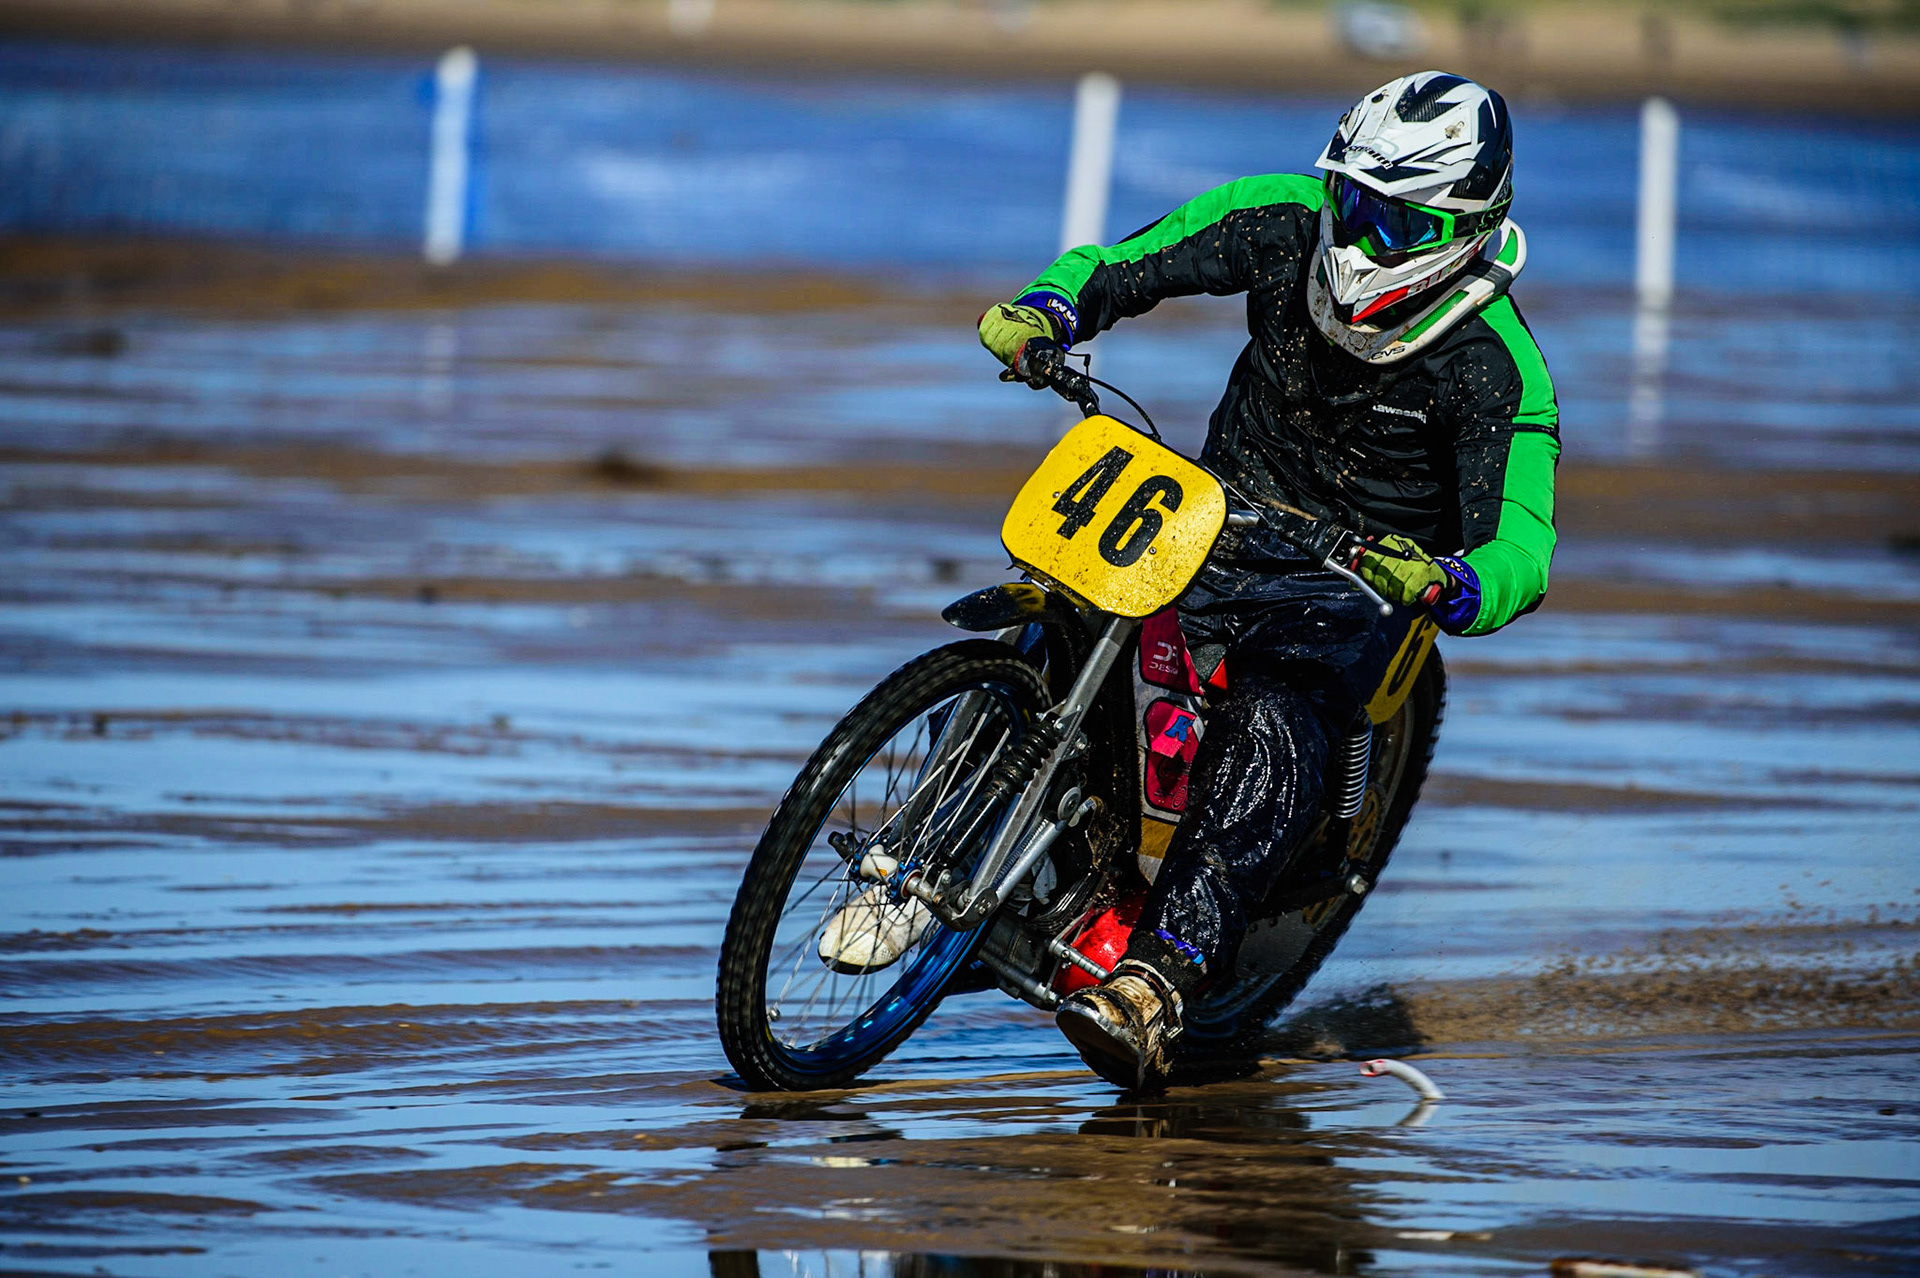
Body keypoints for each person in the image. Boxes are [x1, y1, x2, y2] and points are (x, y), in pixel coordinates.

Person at [977, 71, 1559, 1088]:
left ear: (1465, 231)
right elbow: (1128, 261)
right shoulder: (1280, 218)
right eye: (1353, 202)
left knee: (1272, 725)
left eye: (1395, 223)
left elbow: (1520, 546)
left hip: (1352, 590)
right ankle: (949, 848)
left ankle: (1157, 983)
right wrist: (1052, 307)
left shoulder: (1498, 370)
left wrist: (1455, 585)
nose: (1358, 238)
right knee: (1059, 606)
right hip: (1213, 514)